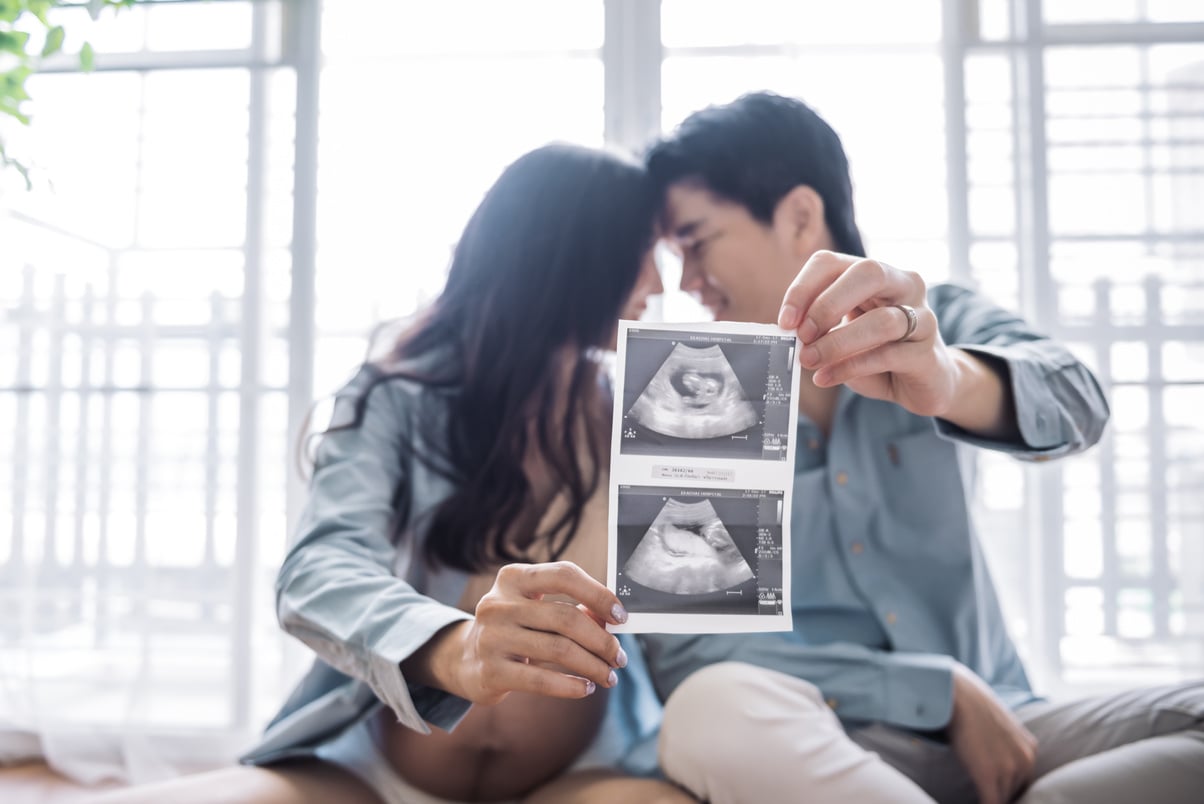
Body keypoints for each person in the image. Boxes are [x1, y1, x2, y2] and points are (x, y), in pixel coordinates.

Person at [82, 144, 692, 804]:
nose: (659, 286)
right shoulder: (395, 399)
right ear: (574, 256)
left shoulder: (650, 415)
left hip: (579, 779)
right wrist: (455, 649)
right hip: (368, 774)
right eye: (643, 253)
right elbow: (318, 569)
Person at [640, 92, 1204, 804]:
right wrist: (938, 691)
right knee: (708, 707)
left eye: (695, 242)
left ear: (799, 216)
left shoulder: (927, 321)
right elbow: (694, 648)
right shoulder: (695, 391)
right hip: (818, 745)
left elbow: (1080, 402)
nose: (684, 281)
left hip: (1008, 733)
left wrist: (949, 380)